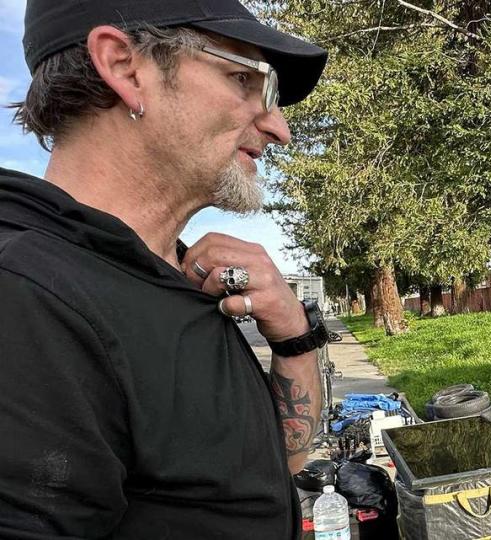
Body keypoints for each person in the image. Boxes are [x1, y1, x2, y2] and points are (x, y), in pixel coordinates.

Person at [0, 0, 331, 537]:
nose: (278, 128)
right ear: (125, 67)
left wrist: (294, 336)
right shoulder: (29, 299)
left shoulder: (173, 273)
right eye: (245, 79)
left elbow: (263, 471)